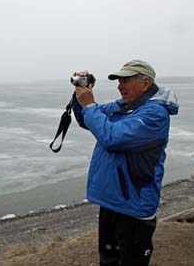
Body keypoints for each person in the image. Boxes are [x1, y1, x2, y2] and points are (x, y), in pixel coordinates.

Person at [72, 60, 179, 266]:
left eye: (125, 81)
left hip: (133, 206)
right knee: (108, 261)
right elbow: (87, 119)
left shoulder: (154, 115)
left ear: (146, 83)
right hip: (112, 200)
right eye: (119, 81)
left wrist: (90, 105)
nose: (120, 86)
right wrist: (80, 93)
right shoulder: (122, 107)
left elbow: (112, 138)